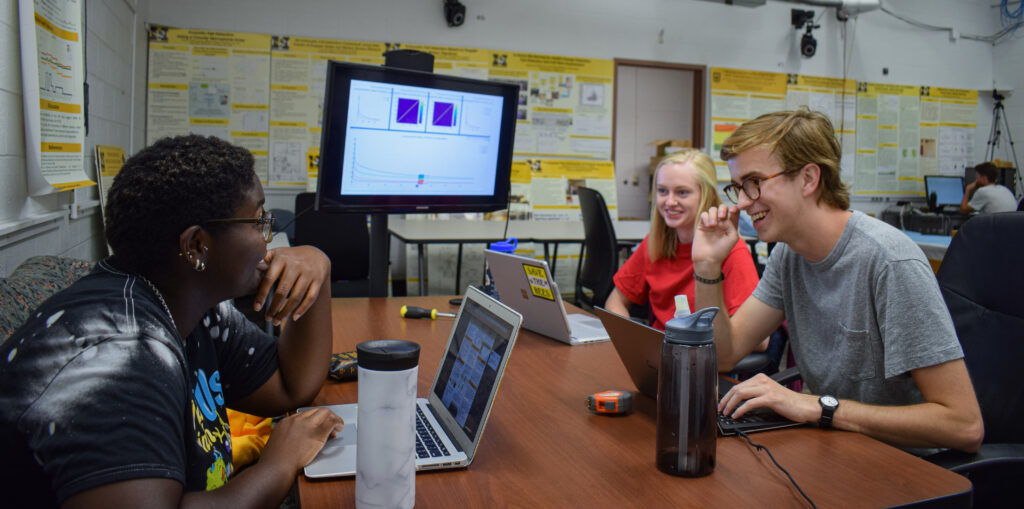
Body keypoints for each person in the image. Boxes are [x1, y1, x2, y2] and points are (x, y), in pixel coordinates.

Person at [0, 135, 345, 507]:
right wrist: (279, 461)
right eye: (257, 220)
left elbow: (290, 387)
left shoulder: (188, 306)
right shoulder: (116, 356)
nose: (268, 240)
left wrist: (316, 267)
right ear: (197, 246)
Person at [694, 108, 984, 453]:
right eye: (738, 188)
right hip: (830, 449)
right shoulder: (788, 255)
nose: (742, 203)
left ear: (808, 179)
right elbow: (724, 355)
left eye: (754, 183)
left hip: (901, 468)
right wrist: (708, 265)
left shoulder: (889, 261)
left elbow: (964, 426)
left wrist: (820, 406)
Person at [604, 149, 759, 331]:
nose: (669, 202)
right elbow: (614, 302)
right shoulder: (656, 242)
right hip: (659, 351)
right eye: (662, 191)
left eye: (682, 192)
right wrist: (633, 341)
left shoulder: (731, 251)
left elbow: (759, 340)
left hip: (704, 355)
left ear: (706, 195)